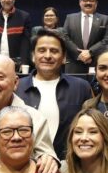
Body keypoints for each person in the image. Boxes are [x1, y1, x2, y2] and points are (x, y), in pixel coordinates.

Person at [17, 29, 93, 159]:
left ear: (63, 58)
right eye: (41, 50)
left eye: (54, 51)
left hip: (69, 167)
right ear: (33, 56)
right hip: (25, 167)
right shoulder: (17, 87)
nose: (47, 55)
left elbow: (92, 128)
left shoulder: (81, 87)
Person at [63, 0, 108, 74]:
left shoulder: (104, 19)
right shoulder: (70, 17)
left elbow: (107, 39)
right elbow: (65, 37)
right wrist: (79, 55)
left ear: (96, 3)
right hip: (74, 63)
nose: (88, 3)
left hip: (95, 62)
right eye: (85, 0)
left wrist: (90, 52)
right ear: (80, 2)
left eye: (91, 0)